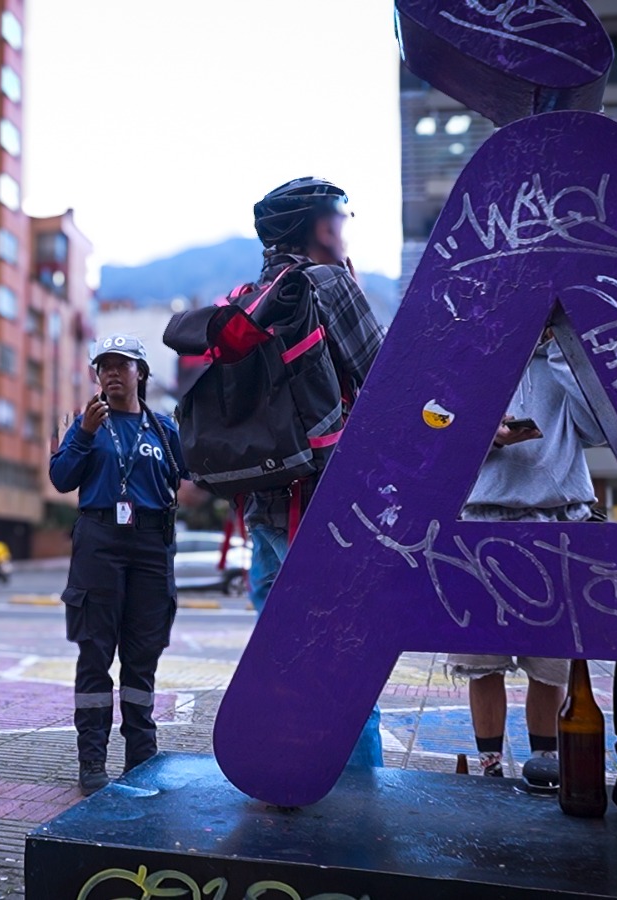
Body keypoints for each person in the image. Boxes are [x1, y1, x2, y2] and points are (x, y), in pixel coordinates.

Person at [244, 177, 388, 764]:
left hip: (261, 506)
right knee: (346, 662)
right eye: (341, 214)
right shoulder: (327, 283)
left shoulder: (250, 296)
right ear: (318, 225)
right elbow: (387, 380)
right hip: (324, 507)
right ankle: (357, 799)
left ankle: (282, 773)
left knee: (281, 657)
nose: (345, 225)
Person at [449, 328, 606, 778]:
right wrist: (491, 436)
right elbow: (442, 441)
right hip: (482, 518)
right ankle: (491, 764)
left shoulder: (565, 358)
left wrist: (561, 351)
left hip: (557, 520)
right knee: (481, 662)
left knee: (551, 663)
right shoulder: (475, 360)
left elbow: (595, 429)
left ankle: (546, 764)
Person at [50, 334, 185, 795]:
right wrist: (84, 434)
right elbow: (62, 478)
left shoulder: (164, 429)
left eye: (121, 365)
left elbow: (197, 471)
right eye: (103, 366)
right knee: (94, 653)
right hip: (99, 540)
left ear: (140, 374)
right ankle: (92, 762)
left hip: (150, 544)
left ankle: (140, 759)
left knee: (141, 658)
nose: (111, 373)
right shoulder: (85, 424)